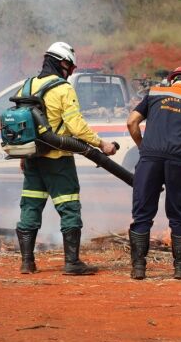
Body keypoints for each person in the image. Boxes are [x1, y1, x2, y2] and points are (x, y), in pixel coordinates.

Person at [15, 42, 117, 276]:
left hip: (32, 158)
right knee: (69, 207)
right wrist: (102, 144)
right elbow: (76, 126)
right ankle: (72, 263)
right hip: (58, 158)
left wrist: (23, 155)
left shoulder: (27, 86)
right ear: (63, 63)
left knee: (30, 206)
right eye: (70, 67)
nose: (71, 72)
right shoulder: (63, 89)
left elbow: (23, 126)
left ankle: (27, 263)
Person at [126, 65, 181, 280]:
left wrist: (144, 149)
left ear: (173, 80)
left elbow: (131, 122)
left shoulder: (154, 93)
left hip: (149, 158)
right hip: (179, 161)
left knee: (142, 212)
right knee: (179, 216)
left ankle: (138, 268)